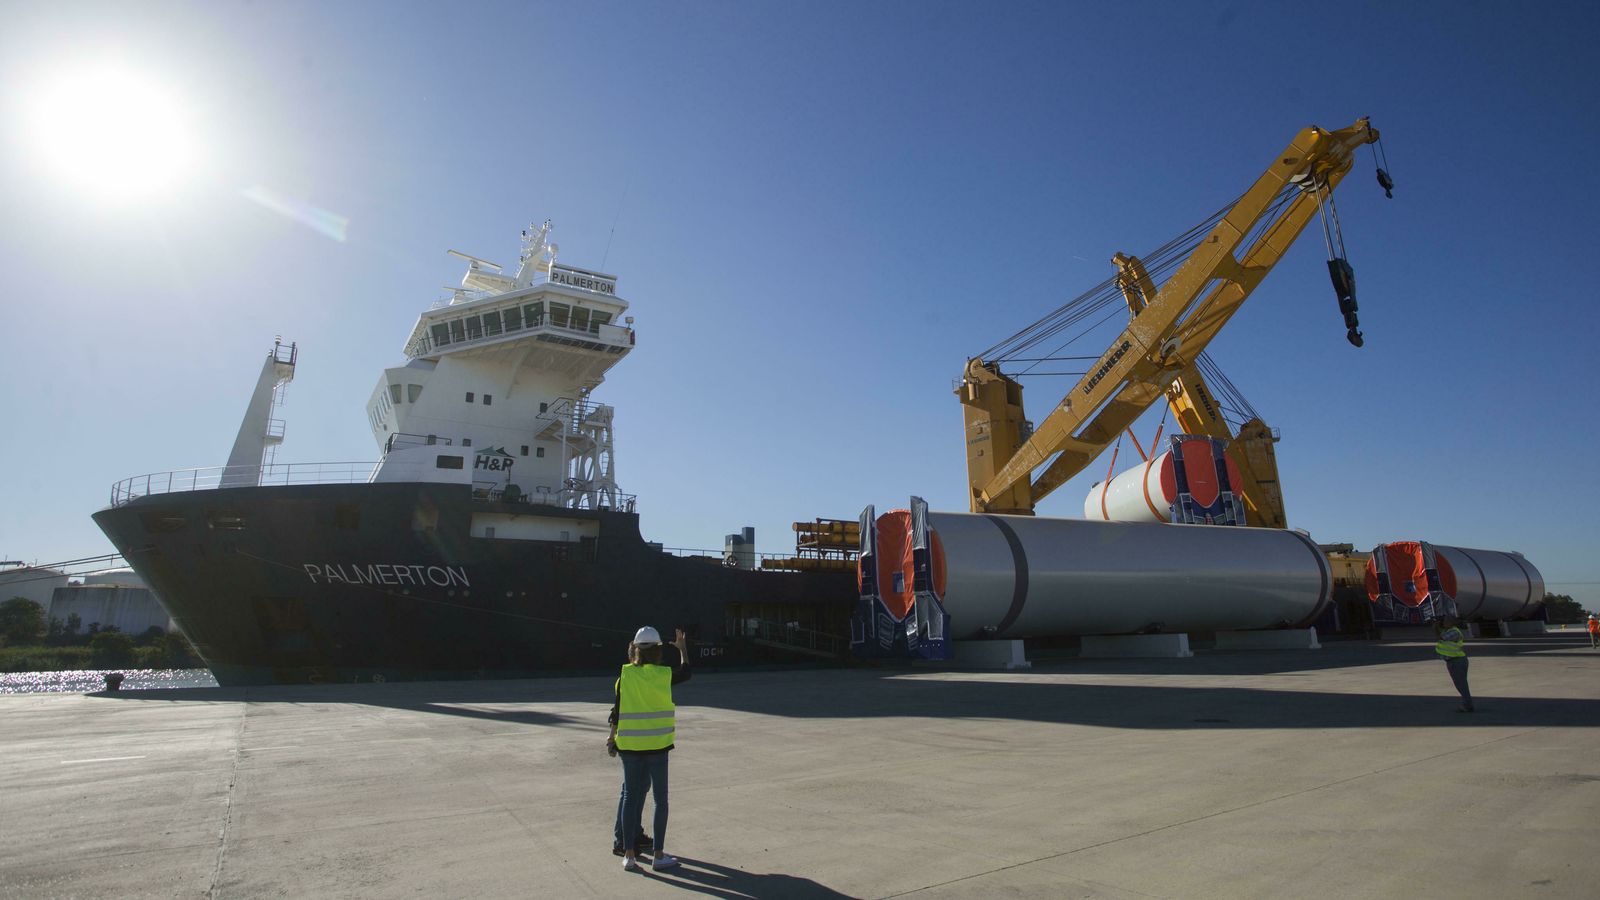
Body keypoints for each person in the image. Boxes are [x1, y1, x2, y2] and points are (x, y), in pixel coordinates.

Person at [609, 625, 690, 872]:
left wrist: (611, 738)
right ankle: (658, 855)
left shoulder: (625, 676)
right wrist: (683, 648)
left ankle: (629, 854)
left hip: (630, 746)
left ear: (635, 649)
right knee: (660, 800)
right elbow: (686, 672)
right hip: (657, 746)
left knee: (630, 797)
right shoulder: (663, 674)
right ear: (657, 650)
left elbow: (617, 710)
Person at [1434, 616, 1473, 713]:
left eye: (1446, 621)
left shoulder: (1454, 631)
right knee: (1460, 684)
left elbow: (1441, 637)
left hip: (1457, 661)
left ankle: (1467, 705)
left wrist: (1435, 627)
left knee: (1461, 684)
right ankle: (1467, 703)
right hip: (1453, 661)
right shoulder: (1448, 631)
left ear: (1452, 622)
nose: (1444, 622)